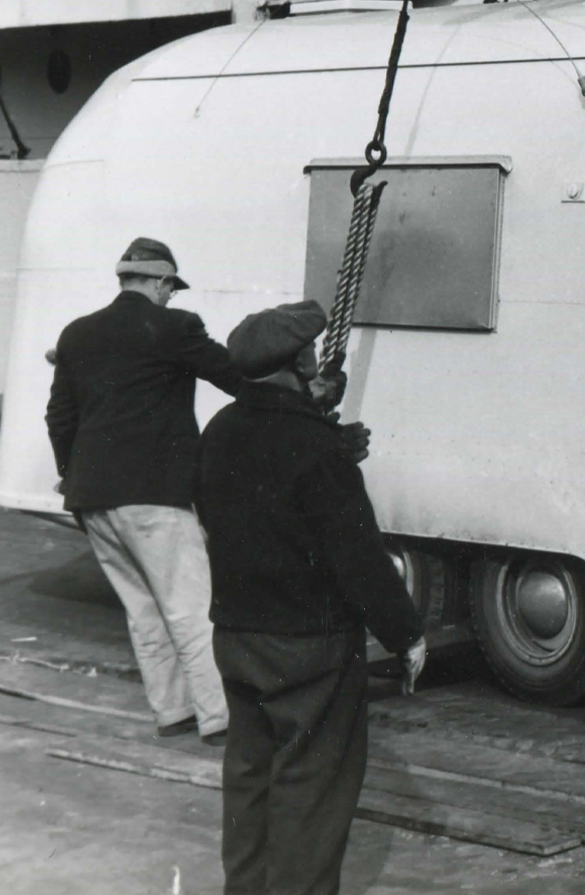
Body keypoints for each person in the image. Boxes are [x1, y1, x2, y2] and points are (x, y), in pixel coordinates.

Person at [195, 300, 427, 895]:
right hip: (308, 647)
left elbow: (249, 495)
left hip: (236, 635)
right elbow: (358, 558)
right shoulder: (318, 448)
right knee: (312, 790)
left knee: (249, 776)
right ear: (301, 362)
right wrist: (406, 633)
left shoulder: (219, 430)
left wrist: (321, 433)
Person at [45, 237, 242, 745]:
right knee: (191, 608)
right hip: (155, 494)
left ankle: (172, 712)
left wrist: (71, 473)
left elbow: (59, 416)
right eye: (171, 288)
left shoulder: (76, 333)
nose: (171, 296)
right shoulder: (175, 327)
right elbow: (234, 376)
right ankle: (221, 718)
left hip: (92, 497)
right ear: (160, 282)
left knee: (144, 610)